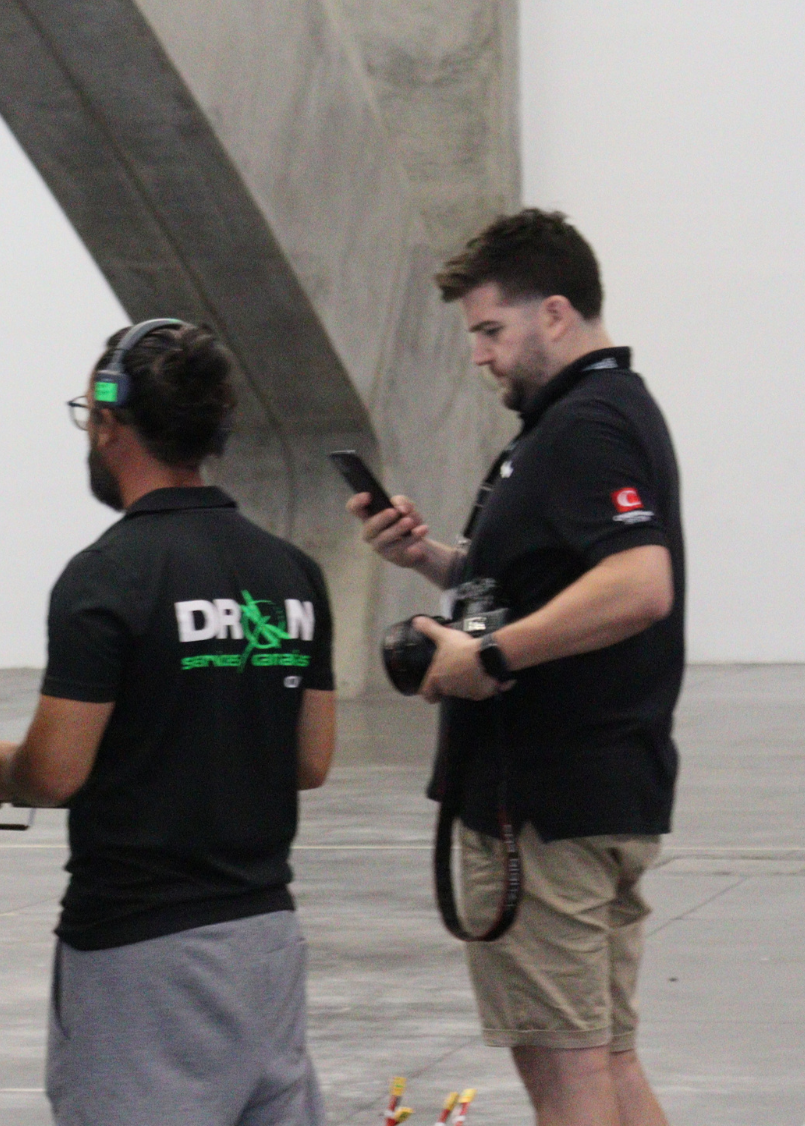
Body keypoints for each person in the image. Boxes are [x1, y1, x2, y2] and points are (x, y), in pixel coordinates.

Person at [348, 209, 681, 1126]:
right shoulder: (597, 415)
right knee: (607, 1062)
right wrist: (434, 564)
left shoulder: (584, 426)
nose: (481, 356)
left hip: (543, 809)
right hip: (597, 793)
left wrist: (485, 655)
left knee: (569, 1078)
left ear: (558, 314)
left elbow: (639, 582)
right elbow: (559, 582)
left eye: (492, 331)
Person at [0, 320, 336, 1126]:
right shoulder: (293, 573)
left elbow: (57, 771)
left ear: (109, 418)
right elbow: (311, 760)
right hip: (266, 942)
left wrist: (4, 771)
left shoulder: (108, 577)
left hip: (144, 954)